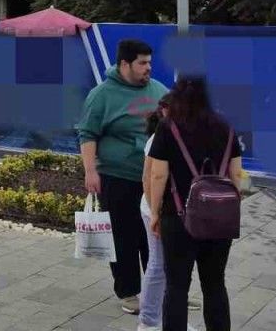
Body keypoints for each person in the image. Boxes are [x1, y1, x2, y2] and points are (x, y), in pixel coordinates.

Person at [77, 38, 168, 315]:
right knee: (123, 237)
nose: (149, 68)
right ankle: (128, 292)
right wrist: (90, 171)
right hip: (117, 177)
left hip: (153, 179)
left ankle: (160, 291)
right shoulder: (102, 95)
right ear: (125, 64)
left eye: (150, 62)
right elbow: (87, 133)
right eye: (143, 63)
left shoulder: (159, 91)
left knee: (155, 236)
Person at [147, 76, 243, 331]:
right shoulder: (226, 126)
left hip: (177, 217)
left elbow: (158, 175)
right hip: (219, 219)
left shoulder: (168, 127)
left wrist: (154, 212)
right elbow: (236, 174)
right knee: (215, 283)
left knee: (176, 286)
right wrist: (230, 205)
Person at [137, 96, 196, 331]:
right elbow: (149, 178)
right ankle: (148, 321)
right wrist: (156, 213)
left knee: (172, 268)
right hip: (156, 209)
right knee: (159, 264)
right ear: (165, 111)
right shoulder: (158, 138)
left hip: (172, 211)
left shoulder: (183, 135)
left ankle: (169, 318)